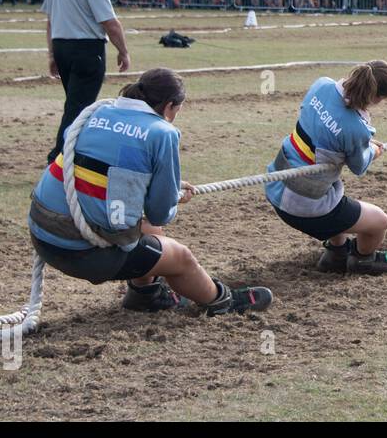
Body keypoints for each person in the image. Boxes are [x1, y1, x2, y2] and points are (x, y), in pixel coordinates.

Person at [28, 68, 272, 315]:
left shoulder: (95, 112)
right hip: (81, 253)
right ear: (169, 106)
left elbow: (107, 172)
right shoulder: (162, 132)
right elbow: (160, 213)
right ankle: (222, 302)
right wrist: (173, 195)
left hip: (41, 232)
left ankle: (144, 295)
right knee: (181, 258)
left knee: (152, 232)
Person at [267, 62, 387, 275]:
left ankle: (337, 253)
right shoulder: (357, 128)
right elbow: (359, 166)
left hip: (275, 182)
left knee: (336, 192)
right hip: (303, 205)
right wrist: (372, 150)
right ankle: (363, 260)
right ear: (377, 98)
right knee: (380, 222)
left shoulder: (321, 84)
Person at [44, 0, 132, 163]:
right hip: (86, 49)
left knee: (74, 103)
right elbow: (110, 23)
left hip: (62, 47)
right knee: (79, 108)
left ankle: (68, 153)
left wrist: (52, 54)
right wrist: (123, 51)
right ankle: (61, 156)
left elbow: (50, 20)